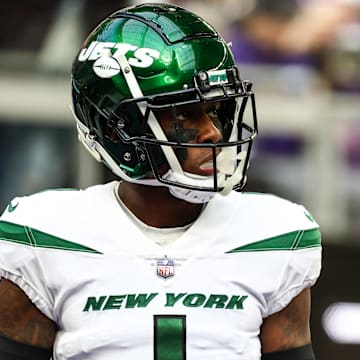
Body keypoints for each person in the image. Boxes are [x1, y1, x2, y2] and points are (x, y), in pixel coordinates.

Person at [0, 3, 321, 360]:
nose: (212, 133)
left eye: (215, 110)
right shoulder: (43, 235)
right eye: (184, 115)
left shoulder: (275, 234)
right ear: (117, 131)